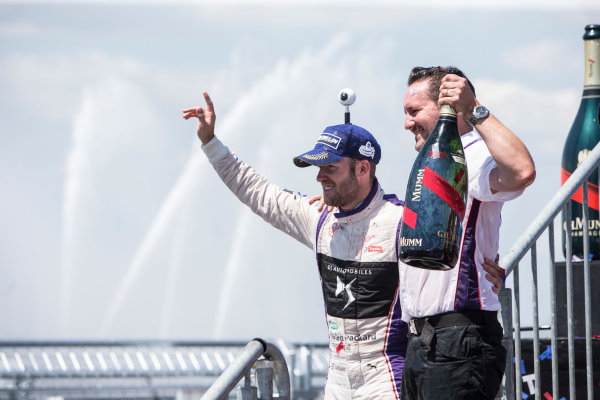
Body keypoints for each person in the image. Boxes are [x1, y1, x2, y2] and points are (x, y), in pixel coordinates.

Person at [183, 92, 408, 399]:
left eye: (330, 167)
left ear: (363, 169)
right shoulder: (318, 218)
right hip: (337, 385)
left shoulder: (401, 221)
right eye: (318, 167)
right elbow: (258, 192)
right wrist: (210, 142)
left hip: (388, 382)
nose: (320, 177)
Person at [399, 66, 536, 400]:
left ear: (449, 108)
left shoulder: (470, 155)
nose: (407, 123)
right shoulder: (434, 159)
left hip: (458, 341)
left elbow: (521, 172)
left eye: (414, 111)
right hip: (424, 342)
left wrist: (475, 109)